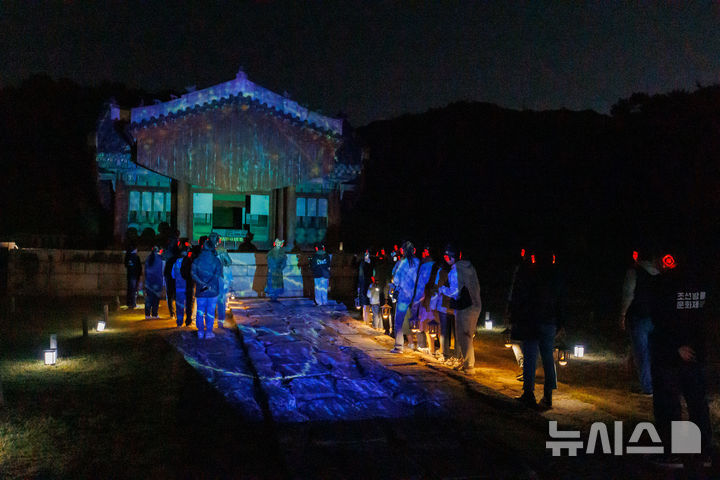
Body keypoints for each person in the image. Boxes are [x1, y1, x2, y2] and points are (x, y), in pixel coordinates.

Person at [650, 249, 712, 467]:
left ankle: (672, 454)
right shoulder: (703, 283)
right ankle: (703, 453)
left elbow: (660, 319)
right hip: (697, 355)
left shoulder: (662, 284)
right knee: (697, 404)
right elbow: (705, 320)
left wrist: (676, 347)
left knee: (669, 405)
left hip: (669, 356)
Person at [511, 247, 563, 410]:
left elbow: (521, 297)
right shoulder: (556, 276)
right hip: (549, 322)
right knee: (548, 358)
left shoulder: (530, 274)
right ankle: (548, 395)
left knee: (530, 357)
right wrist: (561, 323)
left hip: (531, 321)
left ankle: (529, 393)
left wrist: (516, 316)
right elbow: (561, 301)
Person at [620, 246, 662, 395]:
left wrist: (623, 315)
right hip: (655, 318)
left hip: (638, 316)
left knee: (641, 353)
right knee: (652, 352)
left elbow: (628, 295)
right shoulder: (659, 274)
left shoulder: (634, 272)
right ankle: (656, 384)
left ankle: (647, 387)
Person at [439, 245, 482, 374]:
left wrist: (442, 289)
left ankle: (469, 366)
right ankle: (467, 363)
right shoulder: (469, 267)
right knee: (468, 335)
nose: (446, 260)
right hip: (475, 304)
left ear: (452, 257)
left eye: (447, 257)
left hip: (464, 306)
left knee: (463, 336)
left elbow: (455, 291)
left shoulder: (455, 270)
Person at [389, 241, 420, 353]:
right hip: (416, 296)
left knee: (399, 321)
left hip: (403, 295)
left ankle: (399, 346)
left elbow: (396, 279)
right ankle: (417, 343)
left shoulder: (403, 263)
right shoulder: (418, 262)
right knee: (415, 319)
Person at [191, 238, 223, 339]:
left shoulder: (197, 260)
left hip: (201, 290)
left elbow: (193, 273)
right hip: (213, 291)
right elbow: (218, 274)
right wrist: (209, 284)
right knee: (210, 311)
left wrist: (202, 283)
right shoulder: (216, 260)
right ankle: (209, 332)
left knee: (200, 311)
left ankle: (200, 332)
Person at [411, 245, 438, 353]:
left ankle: (426, 347)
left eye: (425, 252)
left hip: (425, 297)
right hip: (433, 297)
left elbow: (421, 283)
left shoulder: (424, 266)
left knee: (425, 323)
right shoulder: (436, 266)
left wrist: (417, 298)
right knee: (432, 324)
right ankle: (432, 348)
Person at [214, 236, 233, 328]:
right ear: (219, 241)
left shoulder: (206, 249)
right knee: (221, 299)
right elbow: (229, 262)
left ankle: (207, 321)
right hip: (220, 277)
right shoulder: (222, 250)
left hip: (208, 278)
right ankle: (220, 322)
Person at [162, 233, 180, 319]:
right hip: (176, 274)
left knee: (170, 294)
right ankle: (176, 312)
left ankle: (172, 313)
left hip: (168, 273)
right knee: (176, 294)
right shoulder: (177, 251)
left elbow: (163, 257)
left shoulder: (167, 250)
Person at [180, 244, 199, 326]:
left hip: (188, 282)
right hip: (194, 283)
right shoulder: (197, 260)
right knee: (194, 301)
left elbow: (182, 271)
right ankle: (193, 319)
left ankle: (188, 319)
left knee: (189, 302)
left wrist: (187, 278)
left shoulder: (186, 260)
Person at [144, 246, 164, 319]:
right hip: (157, 282)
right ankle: (155, 314)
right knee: (156, 299)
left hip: (149, 282)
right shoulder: (159, 259)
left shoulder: (148, 258)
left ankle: (147, 314)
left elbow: (146, 271)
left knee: (149, 299)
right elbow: (161, 272)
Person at [172, 244, 189, 327]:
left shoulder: (175, 263)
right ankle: (188, 322)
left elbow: (173, 275)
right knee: (189, 305)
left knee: (179, 306)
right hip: (187, 288)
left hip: (178, 287)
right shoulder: (189, 262)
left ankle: (179, 322)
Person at [357, 249, 375, 324]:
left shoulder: (366, 264)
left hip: (367, 284)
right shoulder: (364, 264)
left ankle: (367, 319)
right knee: (366, 302)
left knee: (368, 302)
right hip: (365, 283)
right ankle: (366, 320)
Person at [124, 244, 142, 309]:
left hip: (129, 275)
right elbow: (139, 267)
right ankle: (133, 304)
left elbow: (126, 265)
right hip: (134, 276)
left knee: (130, 289)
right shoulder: (136, 257)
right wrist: (139, 275)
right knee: (134, 290)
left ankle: (129, 303)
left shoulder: (128, 256)